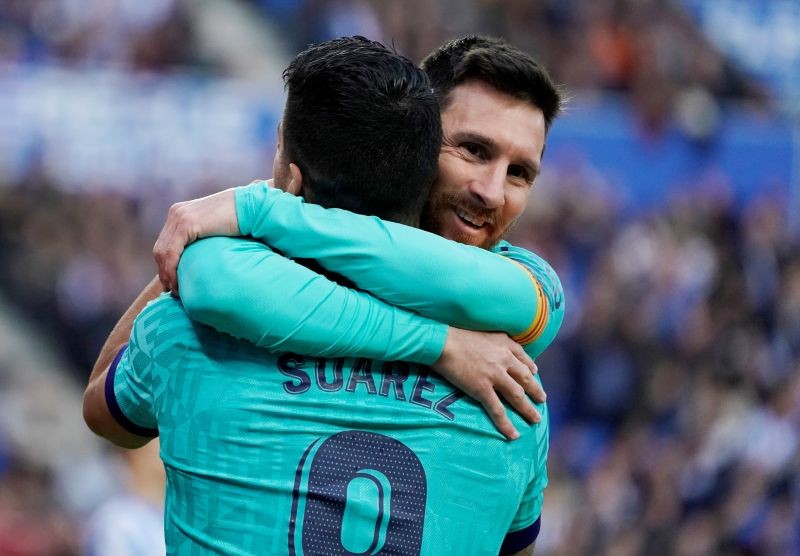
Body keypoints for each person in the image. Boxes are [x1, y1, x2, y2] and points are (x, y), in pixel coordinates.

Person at [84, 35, 563, 555]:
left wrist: (258, 209)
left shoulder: (191, 328)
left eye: (520, 174)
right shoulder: (515, 395)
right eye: (473, 150)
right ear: (420, 144)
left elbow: (103, 409)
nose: (490, 190)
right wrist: (441, 343)